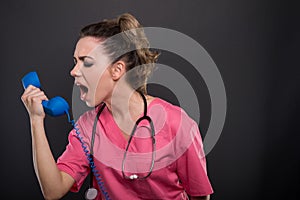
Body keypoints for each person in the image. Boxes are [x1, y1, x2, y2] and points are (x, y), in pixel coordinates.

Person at [21, 13, 213, 200]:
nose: (73, 72)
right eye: (74, 62)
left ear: (117, 70)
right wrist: (36, 120)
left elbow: (200, 195)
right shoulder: (88, 127)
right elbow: (53, 191)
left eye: (86, 63)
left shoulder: (177, 123)